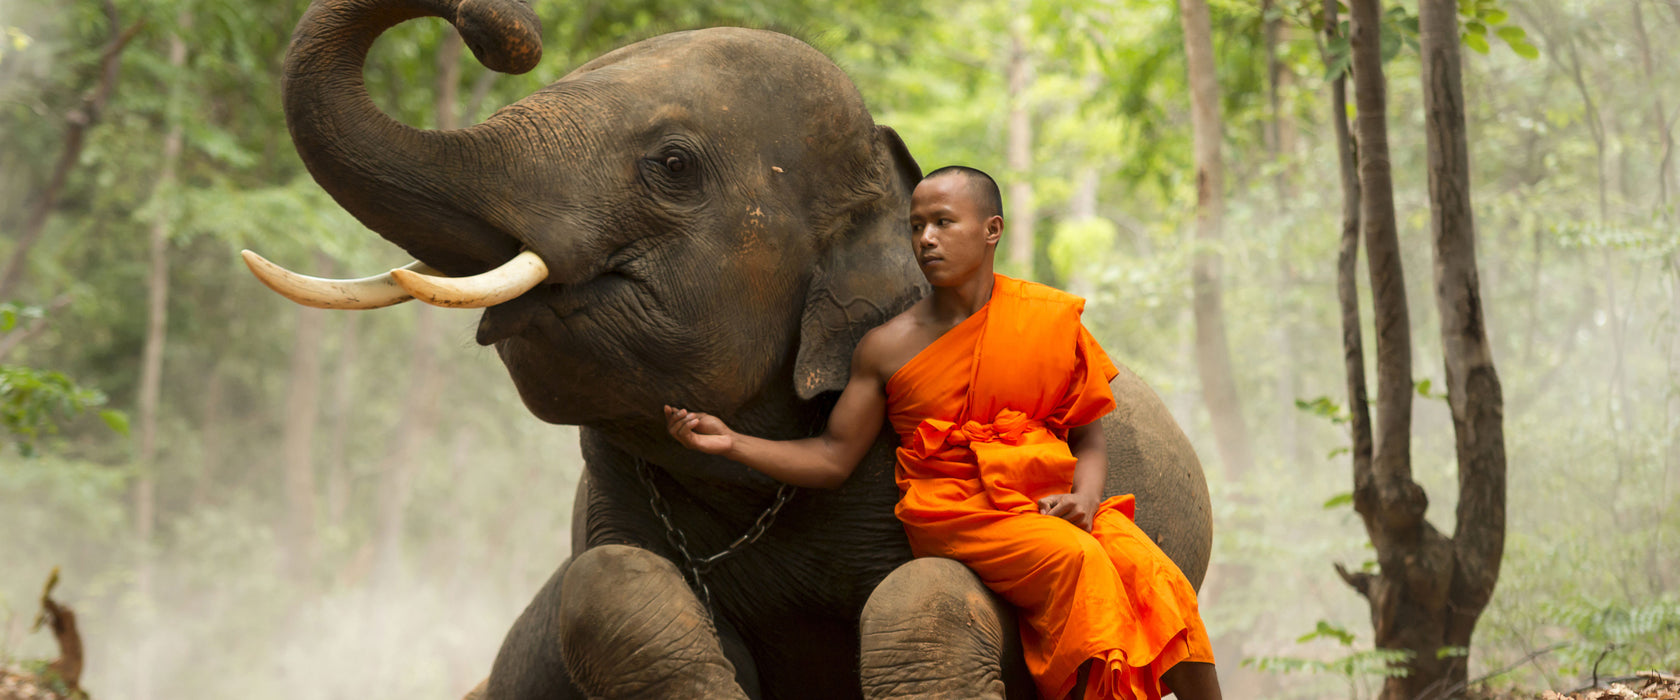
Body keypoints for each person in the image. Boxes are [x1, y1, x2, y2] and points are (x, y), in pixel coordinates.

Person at [664, 166, 1223, 700]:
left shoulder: (1045, 319)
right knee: (1078, 563)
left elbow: (1088, 440)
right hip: (957, 510)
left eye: (943, 222)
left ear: (991, 230)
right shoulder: (887, 346)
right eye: (915, 226)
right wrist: (733, 442)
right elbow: (833, 457)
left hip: (1042, 501)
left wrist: (1084, 498)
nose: (926, 239)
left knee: (1156, 577)